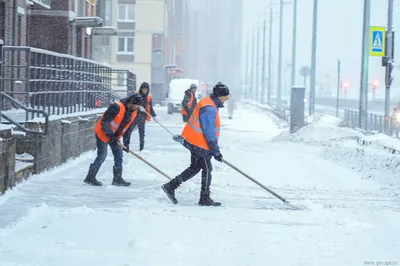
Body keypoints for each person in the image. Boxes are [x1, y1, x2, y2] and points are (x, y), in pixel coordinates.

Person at [161, 82, 230, 206]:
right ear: (220, 96)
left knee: (195, 167)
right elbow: (209, 131)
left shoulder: (208, 102)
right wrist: (215, 151)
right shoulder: (209, 108)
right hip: (200, 144)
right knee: (207, 169)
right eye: (226, 96)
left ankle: (171, 186)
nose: (227, 98)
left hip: (194, 141)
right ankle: (204, 197)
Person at [84, 93, 143, 187]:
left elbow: (128, 129)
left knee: (119, 155)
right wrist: (111, 136)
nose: (137, 107)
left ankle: (117, 179)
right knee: (102, 156)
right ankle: (90, 177)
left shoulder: (134, 112)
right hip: (102, 133)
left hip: (115, 136)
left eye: (138, 105)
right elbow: (105, 122)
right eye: (136, 105)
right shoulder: (116, 107)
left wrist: (126, 143)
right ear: (131, 102)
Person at [136, 82, 157, 151]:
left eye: (146, 89)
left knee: (142, 132)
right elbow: (130, 103)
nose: (145, 91)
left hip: (142, 116)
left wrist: (154, 116)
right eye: (144, 89)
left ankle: (141, 147)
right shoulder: (136, 95)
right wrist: (138, 107)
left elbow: (150, 108)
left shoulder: (148, 98)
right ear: (141, 89)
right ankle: (126, 145)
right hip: (134, 116)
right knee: (128, 131)